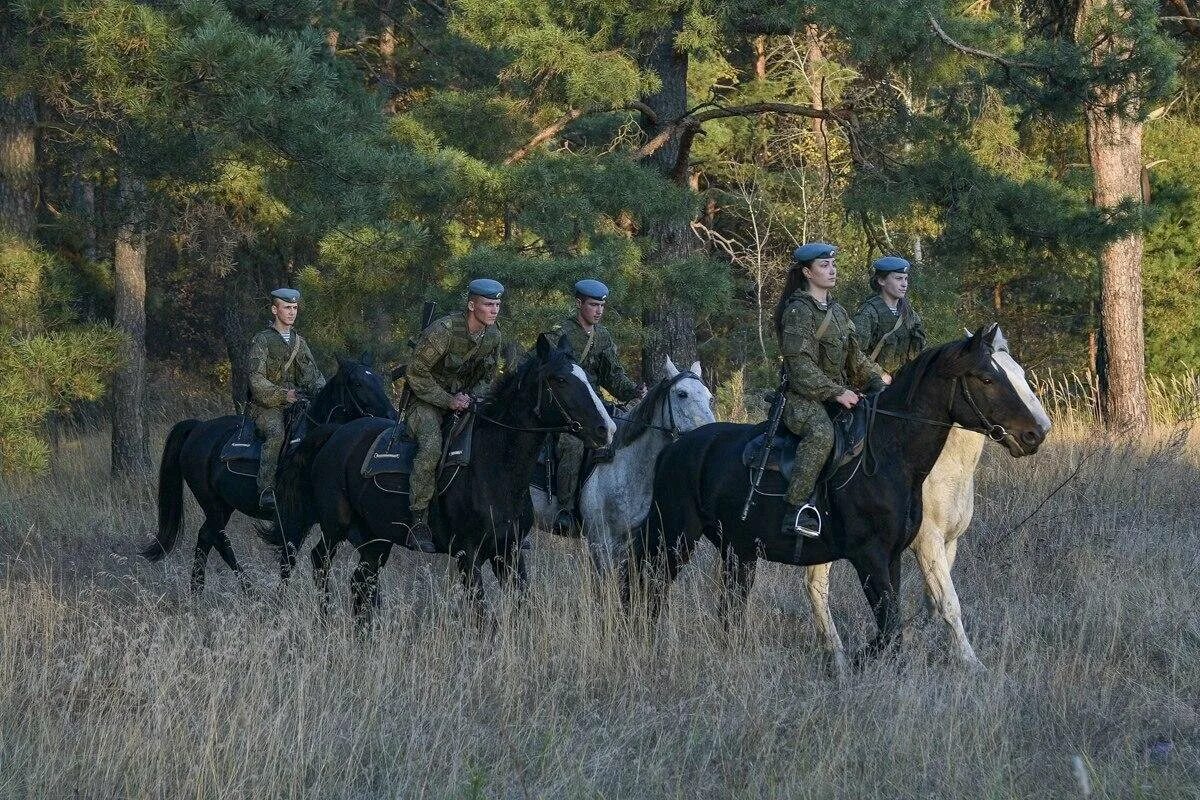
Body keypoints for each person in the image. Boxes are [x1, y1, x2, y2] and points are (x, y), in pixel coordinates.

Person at [775, 243, 886, 538]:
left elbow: (856, 357)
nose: (832, 270)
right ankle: (796, 509)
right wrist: (837, 392)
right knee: (822, 434)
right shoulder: (798, 311)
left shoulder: (837, 311)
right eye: (824, 265)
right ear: (807, 272)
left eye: (833, 264)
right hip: (801, 398)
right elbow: (800, 370)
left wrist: (880, 383)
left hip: (835, 392)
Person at [404, 278, 504, 552]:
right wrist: (449, 400)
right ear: (472, 305)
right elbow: (416, 373)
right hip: (425, 402)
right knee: (431, 447)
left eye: (497, 304)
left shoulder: (493, 336)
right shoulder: (444, 330)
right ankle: (419, 520)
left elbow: (488, 377)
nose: (494, 310)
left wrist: (472, 397)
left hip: (464, 402)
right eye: (488, 304)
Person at [547, 279, 646, 535]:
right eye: (593, 305)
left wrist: (633, 390)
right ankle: (566, 510)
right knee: (573, 444)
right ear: (579, 304)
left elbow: (613, 374)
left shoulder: (602, 335)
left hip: (594, 404)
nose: (599, 310)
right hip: (566, 407)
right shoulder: (559, 334)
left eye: (601, 305)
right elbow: (542, 368)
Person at [248, 288, 326, 512]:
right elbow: (256, 379)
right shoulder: (261, 340)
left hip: (298, 403)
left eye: (294, 308)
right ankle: (266, 490)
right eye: (286, 308)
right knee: (276, 433)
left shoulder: (299, 343)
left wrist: (324, 394)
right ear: (275, 310)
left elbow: (313, 376)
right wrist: (283, 395)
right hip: (266, 406)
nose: (292, 312)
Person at [853, 255, 926, 375]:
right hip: (875, 384)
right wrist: (880, 375)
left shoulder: (909, 314)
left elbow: (919, 349)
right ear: (881, 281)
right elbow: (855, 353)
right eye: (898, 279)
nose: (904, 284)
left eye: (906, 279)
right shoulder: (868, 313)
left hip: (903, 381)